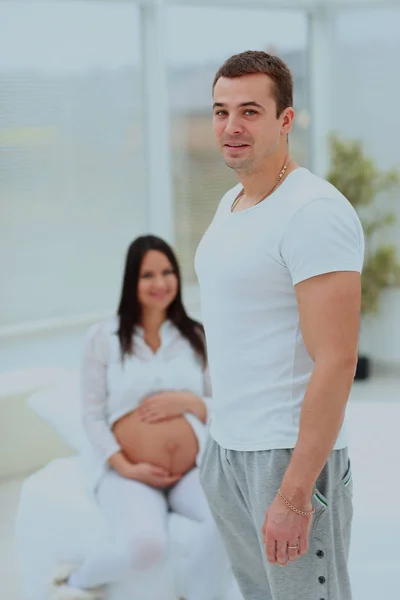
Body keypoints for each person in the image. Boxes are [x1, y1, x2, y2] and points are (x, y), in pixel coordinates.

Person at [195, 50, 364, 600]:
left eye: (249, 111)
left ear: (285, 119)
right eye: (221, 112)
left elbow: (336, 360)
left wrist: (294, 495)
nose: (231, 127)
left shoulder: (313, 212)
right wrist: (214, 449)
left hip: (286, 456)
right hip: (228, 446)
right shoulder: (233, 201)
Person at [50, 235, 229, 600]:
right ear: (132, 281)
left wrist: (188, 402)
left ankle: (195, 594)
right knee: (147, 547)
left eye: (167, 272)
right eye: (148, 275)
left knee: (230, 519)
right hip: (128, 472)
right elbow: (91, 416)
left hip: (190, 469)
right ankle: (75, 581)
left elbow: (224, 404)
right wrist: (127, 467)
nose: (160, 283)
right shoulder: (104, 338)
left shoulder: (196, 336)